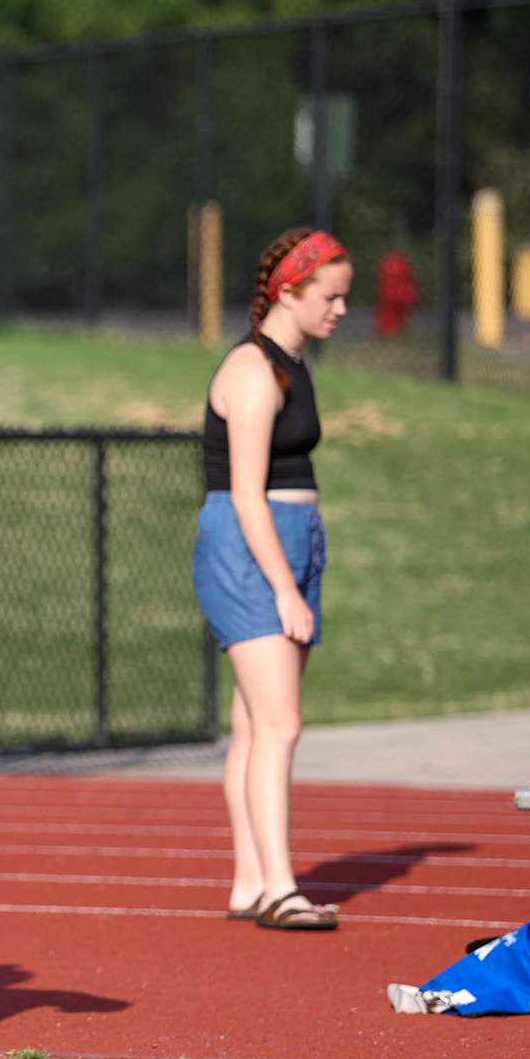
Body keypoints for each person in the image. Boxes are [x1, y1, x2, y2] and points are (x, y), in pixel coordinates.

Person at [194, 227, 351, 932]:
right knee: (281, 725)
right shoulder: (253, 371)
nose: (340, 310)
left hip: (293, 540)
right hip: (251, 546)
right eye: (330, 296)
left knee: (254, 726)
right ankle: (282, 888)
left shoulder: (293, 361)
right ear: (288, 290)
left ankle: (251, 882)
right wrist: (285, 587)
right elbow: (248, 493)